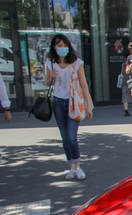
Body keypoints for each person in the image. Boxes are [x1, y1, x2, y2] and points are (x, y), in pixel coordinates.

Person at [45, 33, 93, 180]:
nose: (63, 48)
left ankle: (77, 166)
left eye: (65, 45)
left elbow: (84, 84)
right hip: (58, 101)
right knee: (65, 137)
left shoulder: (76, 63)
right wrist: (51, 76)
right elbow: (47, 83)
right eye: (59, 46)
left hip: (74, 102)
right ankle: (71, 167)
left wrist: (88, 105)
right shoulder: (50, 63)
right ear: (54, 47)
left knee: (72, 137)